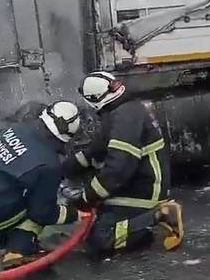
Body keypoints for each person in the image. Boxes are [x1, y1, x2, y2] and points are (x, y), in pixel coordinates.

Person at [0, 100, 83, 269]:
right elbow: (42, 213)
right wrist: (74, 214)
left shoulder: (16, 128)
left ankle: (10, 238)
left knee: (14, 189)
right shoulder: (49, 164)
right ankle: (18, 249)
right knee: (40, 207)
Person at [65, 71, 183, 256]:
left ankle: (158, 216)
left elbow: (118, 170)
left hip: (143, 190)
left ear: (94, 99)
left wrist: (88, 197)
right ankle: (142, 227)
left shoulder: (124, 119)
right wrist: (65, 169)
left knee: (100, 240)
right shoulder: (121, 110)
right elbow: (96, 149)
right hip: (139, 180)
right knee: (99, 224)